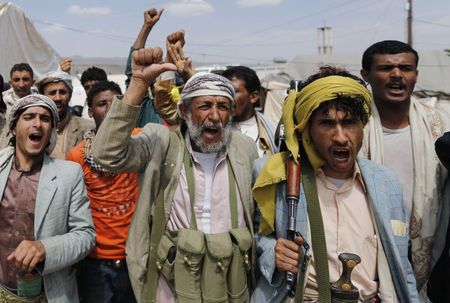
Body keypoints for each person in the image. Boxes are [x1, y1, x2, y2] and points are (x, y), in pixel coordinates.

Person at [92, 47, 258, 302]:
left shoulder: (243, 149)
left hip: (230, 287)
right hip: (170, 288)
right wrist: (138, 83)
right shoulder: (162, 143)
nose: (214, 116)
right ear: (185, 112)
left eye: (223, 107)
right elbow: (106, 155)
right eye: (204, 106)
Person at [251, 67, 418, 302]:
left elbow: (401, 263)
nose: (340, 137)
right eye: (327, 124)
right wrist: (273, 252)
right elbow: (255, 237)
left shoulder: (386, 183)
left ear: (363, 126)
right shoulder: (277, 175)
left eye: (349, 123)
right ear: (307, 128)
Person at [359, 40, 446, 296]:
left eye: (405, 68)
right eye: (386, 68)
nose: (397, 75)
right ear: (366, 75)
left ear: (416, 75)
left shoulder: (439, 125)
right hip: (370, 244)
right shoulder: (352, 129)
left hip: (427, 244)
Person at [0, 94, 95, 302]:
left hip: (47, 294)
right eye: (29, 117)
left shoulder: (68, 174)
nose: (37, 124)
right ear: (14, 128)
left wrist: (45, 248)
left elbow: (86, 235)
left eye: (45, 119)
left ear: (51, 130)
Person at [66, 80, 138, 302]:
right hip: (96, 265)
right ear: (90, 111)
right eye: (101, 104)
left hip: (136, 260)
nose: (109, 109)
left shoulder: (140, 142)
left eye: (116, 102)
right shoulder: (77, 155)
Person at [37, 71, 94, 159]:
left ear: (70, 95)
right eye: (52, 93)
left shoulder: (87, 128)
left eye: (62, 92)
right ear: (43, 97)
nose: (58, 98)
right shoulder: (35, 128)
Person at [222, 66, 277, 157]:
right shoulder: (214, 133)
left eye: (233, 92)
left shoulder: (273, 134)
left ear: (253, 97)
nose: (227, 97)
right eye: (224, 92)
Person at [124, 7, 164, 127]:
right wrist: (147, 26)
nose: (165, 93)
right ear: (152, 90)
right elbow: (134, 76)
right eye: (161, 87)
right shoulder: (146, 112)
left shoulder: (186, 115)